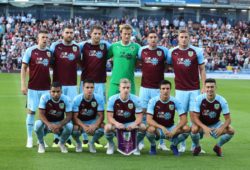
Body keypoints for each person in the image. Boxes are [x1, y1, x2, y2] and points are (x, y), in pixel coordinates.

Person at [168, 29, 206, 152]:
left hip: (194, 89)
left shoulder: (197, 51)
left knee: (195, 117)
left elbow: (202, 69)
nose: (184, 39)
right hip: (180, 90)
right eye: (181, 37)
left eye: (186, 37)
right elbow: (167, 65)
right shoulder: (172, 52)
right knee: (182, 118)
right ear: (178, 38)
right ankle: (182, 144)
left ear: (189, 38)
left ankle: (195, 145)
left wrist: (204, 86)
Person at [78, 24, 110, 148]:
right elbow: (76, 56)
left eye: (99, 34)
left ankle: (96, 137)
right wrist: (83, 65)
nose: (97, 36)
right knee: (83, 108)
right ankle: (85, 137)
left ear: (101, 35)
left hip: (100, 82)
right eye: (95, 33)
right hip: (86, 82)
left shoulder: (105, 46)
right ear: (90, 34)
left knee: (98, 109)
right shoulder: (83, 46)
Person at [137, 30, 169, 151]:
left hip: (158, 88)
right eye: (151, 37)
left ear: (158, 39)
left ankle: (161, 142)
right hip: (144, 87)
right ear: (147, 39)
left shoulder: (163, 51)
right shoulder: (142, 50)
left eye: (155, 37)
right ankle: (141, 141)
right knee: (143, 114)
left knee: (159, 115)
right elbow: (139, 62)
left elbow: (167, 64)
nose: (153, 39)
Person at [50, 24, 81, 148]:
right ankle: (56, 138)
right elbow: (51, 62)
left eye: (71, 32)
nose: (69, 34)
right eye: (67, 32)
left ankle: (67, 138)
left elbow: (80, 62)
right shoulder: (55, 46)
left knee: (70, 111)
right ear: (62, 33)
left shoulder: (76, 47)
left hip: (72, 84)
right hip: (58, 85)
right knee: (56, 111)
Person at [21, 30, 51, 148]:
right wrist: (23, 85)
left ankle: (40, 139)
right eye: (42, 37)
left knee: (43, 113)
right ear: (38, 39)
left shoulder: (50, 52)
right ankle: (29, 138)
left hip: (46, 88)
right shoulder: (30, 51)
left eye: (46, 37)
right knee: (31, 111)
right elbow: (23, 68)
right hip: (33, 87)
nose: (45, 39)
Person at [190, 78, 235, 157]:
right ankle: (197, 147)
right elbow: (195, 118)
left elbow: (228, 119)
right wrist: (204, 127)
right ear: (205, 88)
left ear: (215, 87)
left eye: (212, 87)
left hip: (215, 124)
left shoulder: (222, 100)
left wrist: (221, 128)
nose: (210, 89)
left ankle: (218, 147)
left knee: (231, 130)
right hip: (201, 124)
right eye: (208, 87)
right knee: (194, 129)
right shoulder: (199, 99)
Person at [146, 80, 190, 156]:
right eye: (163, 89)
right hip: (158, 129)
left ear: (170, 89)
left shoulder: (175, 101)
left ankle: (174, 145)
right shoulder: (153, 101)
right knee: (150, 129)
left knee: (187, 129)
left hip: (171, 128)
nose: (165, 91)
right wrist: (162, 127)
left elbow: (184, 119)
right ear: (159, 90)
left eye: (167, 88)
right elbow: (148, 119)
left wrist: (175, 129)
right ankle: (153, 145)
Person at [104, 78, 146, 155]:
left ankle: (135, 145)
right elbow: (109, 117)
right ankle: (111, 144)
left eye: (128, 88)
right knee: (107, 127)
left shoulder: (136, 99)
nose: (126, 90)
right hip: (117, 124)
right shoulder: (112, 99)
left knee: (143, 127)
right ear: (119, 88)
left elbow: (140, 117)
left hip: (131, 124)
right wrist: (117, 124)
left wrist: (134, 124)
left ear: (130, 88)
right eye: (123, 88)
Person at [34, 82, 73, 153]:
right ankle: (41, 143)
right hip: (46, 124)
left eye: (58, 91)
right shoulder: (44, 97)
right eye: (53, 91)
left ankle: (61, 143)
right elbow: (41, 114)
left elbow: (69, 116)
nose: (56, 94)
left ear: (61, 91)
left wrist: (59, 125)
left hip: (59, 124)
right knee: (37, 124)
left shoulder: (66, 99)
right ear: (50, 91)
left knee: (70, 126)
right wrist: (49, 125)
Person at [71, 79, 105, 153]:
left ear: (94, 88)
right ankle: (78, 143)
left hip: (92, 121)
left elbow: (101, 116)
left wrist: (95, 125)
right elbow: (74, 117)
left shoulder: (98, 98)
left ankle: (92, 143)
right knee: (73, 129)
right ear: (83, 88)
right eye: (87, 87)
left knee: (103, 127)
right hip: (80, 122)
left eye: (91, 87)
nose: (89, 90)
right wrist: (83, 126)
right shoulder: (77, 99)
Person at [108, 24, 140, 98]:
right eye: (125, 34)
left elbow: (142, 60)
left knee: (131, 106)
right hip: (115, 82)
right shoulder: (114, 46)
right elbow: (104, 58)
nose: (127, 36)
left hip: (129, 83)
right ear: (121, 34)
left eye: (129, 34)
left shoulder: (136, 47)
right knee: (111, 106)